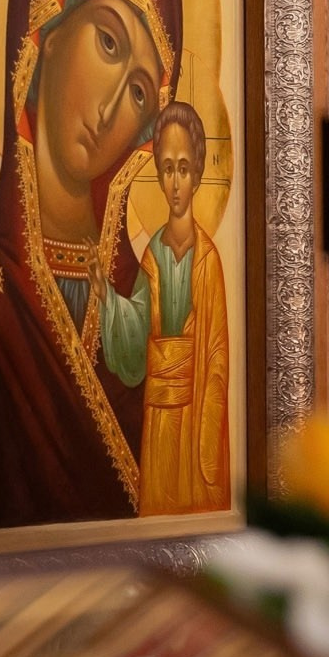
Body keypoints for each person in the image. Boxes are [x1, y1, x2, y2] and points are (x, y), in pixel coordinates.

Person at [0, 0, 184, 528]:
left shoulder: (147, 295)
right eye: (107, 40)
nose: (108, 108)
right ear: (47, 25)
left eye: (138, 93)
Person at [97, 101, 231, 515]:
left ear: (199, 174)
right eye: (168, 168)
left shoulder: (208, 261)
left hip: (194, 421)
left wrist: (208, 437)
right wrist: (107, 297)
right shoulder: (152, 255)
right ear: (158, 175)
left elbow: (218, 357)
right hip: (159, 417)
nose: (175, 183)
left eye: (184, 169)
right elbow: (138, 330)